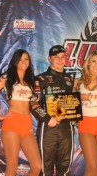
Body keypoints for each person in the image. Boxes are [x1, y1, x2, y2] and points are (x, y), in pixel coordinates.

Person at [0, 49, 41, 176]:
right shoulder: (7, 77)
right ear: (15, 61)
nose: (24, 62)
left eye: (26, 59)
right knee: (12, 167)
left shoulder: (31, 80)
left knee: (37, 166)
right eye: (20, 59)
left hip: (27, 124)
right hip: (12, 124)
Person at [30, 45, 75, 175]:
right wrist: (48, 119)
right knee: (45, 168)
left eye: (63, 57)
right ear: (49, 59)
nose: (60, 60)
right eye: (56, 57)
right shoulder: (40, 79)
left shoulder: (70, 79)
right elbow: (33, 103)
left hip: (67, 127)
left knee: (65, 168)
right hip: (48, 127)